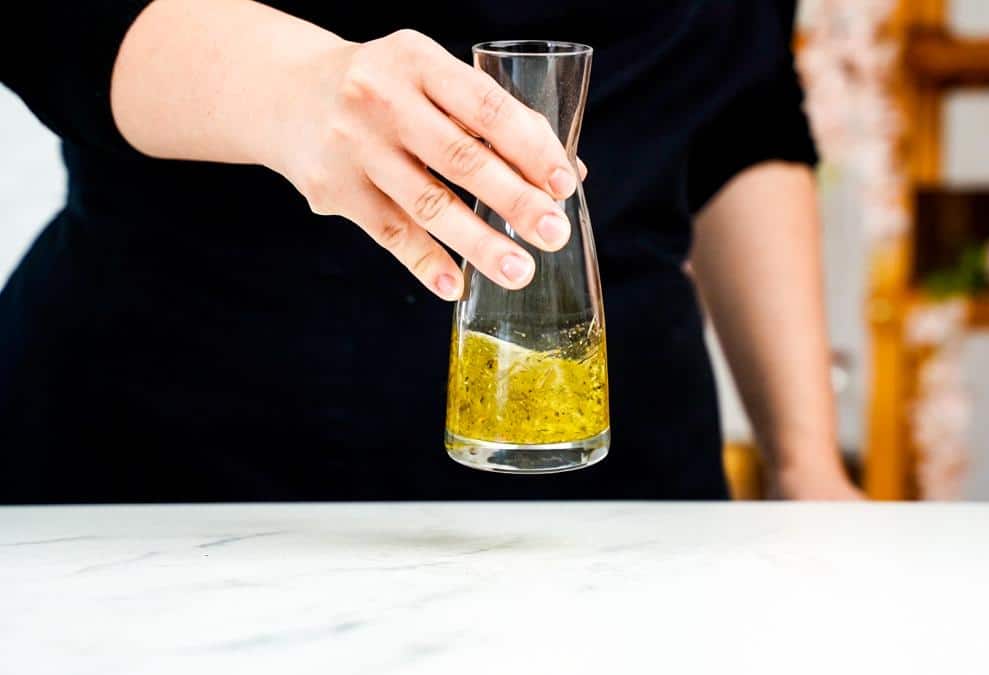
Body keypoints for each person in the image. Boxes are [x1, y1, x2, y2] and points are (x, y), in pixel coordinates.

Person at [0, 0, 859, 502]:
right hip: (180, 453)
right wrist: (284, 86)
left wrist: (806, 461)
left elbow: (737, 106)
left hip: (620, 482)